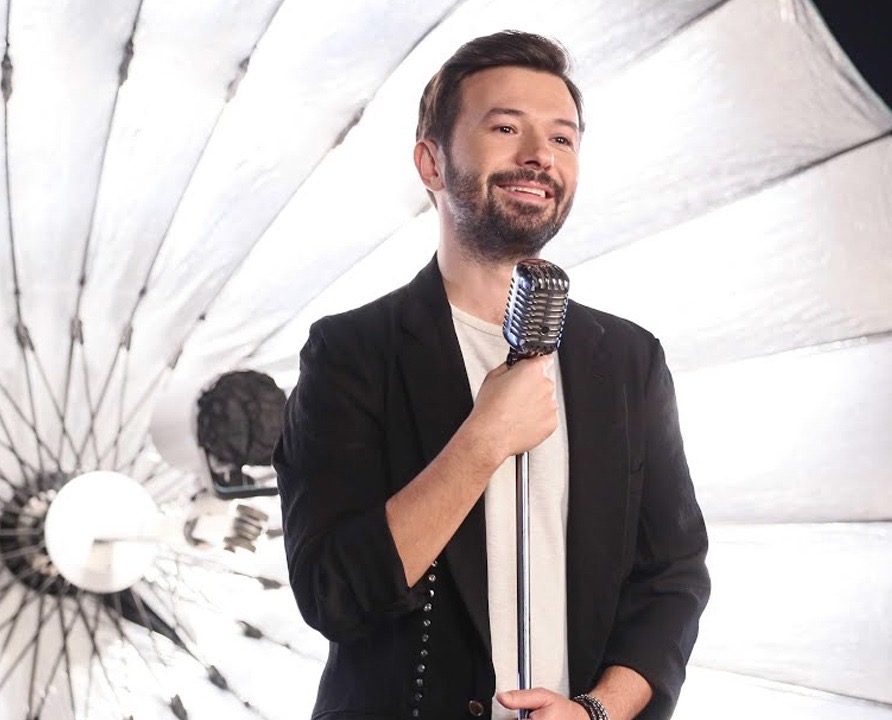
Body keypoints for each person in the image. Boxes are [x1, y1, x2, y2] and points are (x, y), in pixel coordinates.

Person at [274, 30, 709, 720]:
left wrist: (597, 711)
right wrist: (482, 441)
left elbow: (672, 579)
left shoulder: (629, 359)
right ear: (432, 162)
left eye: (562, 138)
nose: (539, 155)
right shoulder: (351, 352)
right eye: (506, 128)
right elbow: (334, 592)